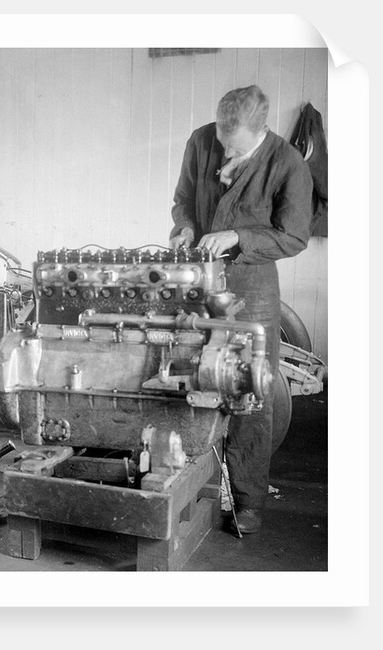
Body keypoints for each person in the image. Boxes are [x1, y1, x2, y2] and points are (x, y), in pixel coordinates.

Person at [169, 85, 313, 534]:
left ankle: (248, 501)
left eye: (235, 148)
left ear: (261, 130)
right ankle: (188, 483)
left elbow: (294, 236)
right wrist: (184, 228)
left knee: (252, 390)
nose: (225, 153)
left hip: (253, 285)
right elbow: (183, 200)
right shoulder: (201, 141)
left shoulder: (287, 162)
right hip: (198, 279)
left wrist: (238, 237)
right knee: (187, 373)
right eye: (222, 142)